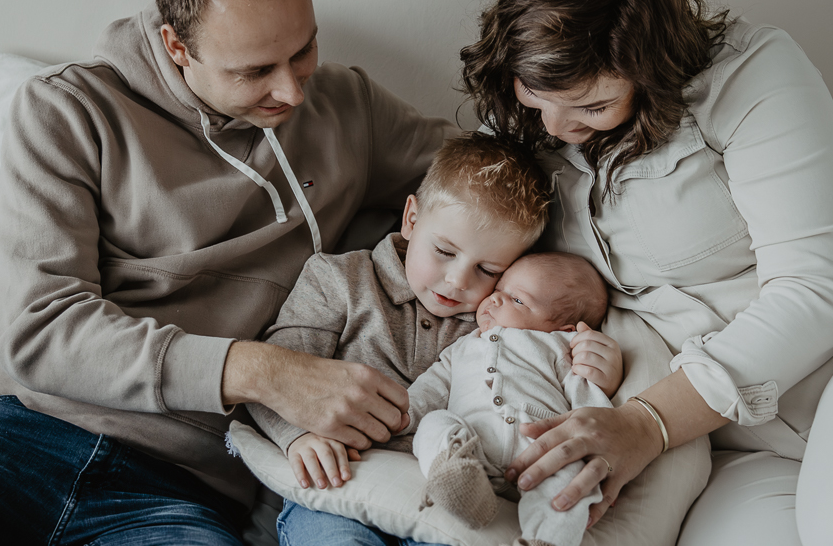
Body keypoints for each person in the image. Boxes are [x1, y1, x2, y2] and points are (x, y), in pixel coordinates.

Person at [0, 0, 457, 544]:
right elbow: (40, 327)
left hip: (178, 488)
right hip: (6, 433)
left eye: (303, 48)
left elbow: (491, 183)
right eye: (254, 71)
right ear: (176, 45)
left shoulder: (349, 108)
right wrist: (267, 372)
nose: (292, 93)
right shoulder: (68, 110)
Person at [459, 0, 833, 546]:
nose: (557, 128)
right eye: (538, 94)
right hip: (726, 438)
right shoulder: (519, 128)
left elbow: (815, 293)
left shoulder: (753, 75)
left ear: (651, 68)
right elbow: (448, 231)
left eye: (593, 104)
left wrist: (644, 424)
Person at [246, 132, 624, 546]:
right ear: (411, 218)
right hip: (342, 479)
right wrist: (298, 437)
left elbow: (550, 367)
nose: (458, 281)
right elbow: (275, 373)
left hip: (447, 492)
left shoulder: (495, 324)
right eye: (445, 251)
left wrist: (597, 368)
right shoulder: (338, 280)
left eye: (487, 270)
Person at [406, 251, 612, 546]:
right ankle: (456, 479)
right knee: (432, 424)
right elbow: (433, 384)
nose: (495, 300)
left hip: (541, 448)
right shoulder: (464, 345)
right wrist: (404, 412)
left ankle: (545, 539)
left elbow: (587, 405)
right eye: (499, 289)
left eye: (518, 300)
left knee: (573, 477)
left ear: (562, 329)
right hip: (470, 442)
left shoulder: (559, 347)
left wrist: (598, 444)